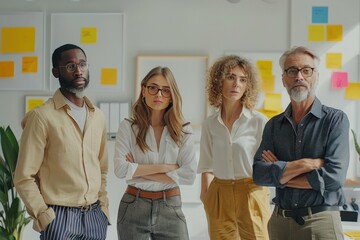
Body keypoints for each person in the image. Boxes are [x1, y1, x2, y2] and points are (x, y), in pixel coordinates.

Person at [253, 46, 350, 240]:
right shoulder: (273, 125)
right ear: (283, 79)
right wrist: (308, 164)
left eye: (306, 70)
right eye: (292, 70)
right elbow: (259, 174)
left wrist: (280, 177)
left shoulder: (335, 120)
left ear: (316, 76)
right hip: (279, 222)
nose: (299, 76)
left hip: (321, 221)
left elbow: (334, 177)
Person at [14, 43, 110, 240]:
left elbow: (101, 169)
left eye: (82, 64)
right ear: (56, 72)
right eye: (70, 66)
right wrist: (44, 216)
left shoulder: (98, 116)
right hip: (59, 218)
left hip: (95, 217)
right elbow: (24, 177)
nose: (78, 71)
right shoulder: (41, 117)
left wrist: (103, 208)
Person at [113, 66, 197, 240]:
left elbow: (188, 176)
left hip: (170, 206)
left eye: (165, 90)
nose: (158, 94)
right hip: (133, 205)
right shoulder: (128, 127)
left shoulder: (184, 130)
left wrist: (137, 170)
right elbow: (121, 170)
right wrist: (166, 168)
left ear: (172, 96)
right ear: (144, 90)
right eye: (153, 88)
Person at [197, 55, 271, 240]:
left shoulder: (258, 121)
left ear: (248, 85)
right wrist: (206, 197)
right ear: (218, 81)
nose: (236, 84)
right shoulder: (210, 124)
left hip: (251, 191)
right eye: (230, 77)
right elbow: (206, 165)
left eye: (242, 79)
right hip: (219, 194)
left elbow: (269, 163)